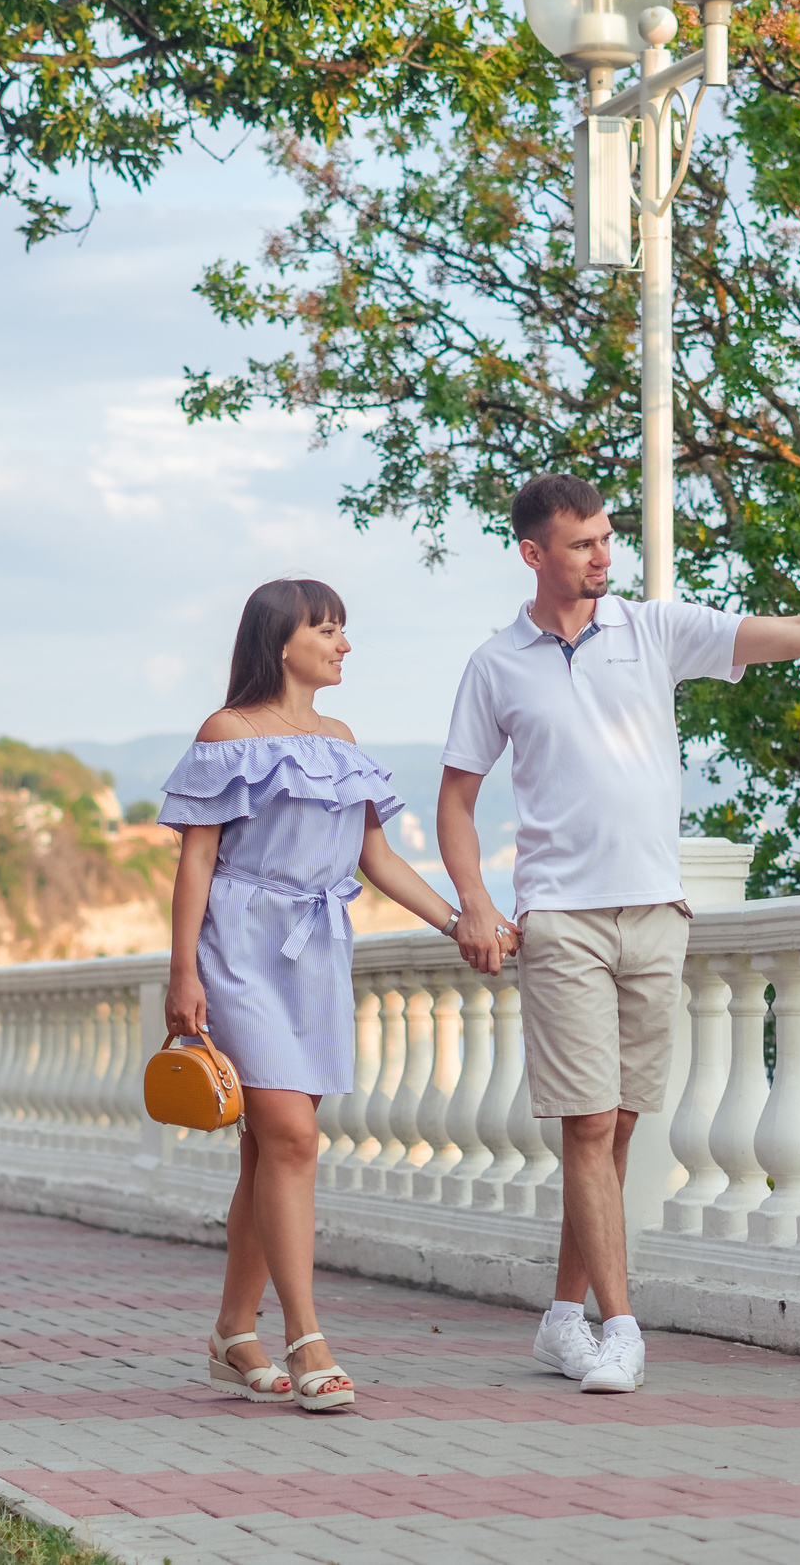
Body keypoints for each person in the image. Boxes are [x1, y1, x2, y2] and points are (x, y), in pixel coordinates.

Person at [438, 472, 800, 1395]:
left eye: (607, 538)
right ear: (533, 554)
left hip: (656, 911)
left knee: (615, 1128)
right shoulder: (496, 664)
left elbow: (797, 634)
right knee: (586, 1124)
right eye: (582, 544)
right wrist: (471, 898)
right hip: (563, 917)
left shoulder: (653, 629)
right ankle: (621, 1328)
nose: (602, 556)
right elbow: (455, 798)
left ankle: (558, 1319)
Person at [160, 577, 501, 1413]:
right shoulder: (227, 732)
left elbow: (375, 862)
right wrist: (182, 971)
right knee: (292, 1137)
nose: (343, 643)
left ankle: (233, 1332)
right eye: (328, 629)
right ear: (283, 641)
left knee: (269, 1149)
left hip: (315, 950)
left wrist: (456, 920)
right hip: (240, 945)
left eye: (344, 630)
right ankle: (306, 1334)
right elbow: (196, 860)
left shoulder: (344, 741)